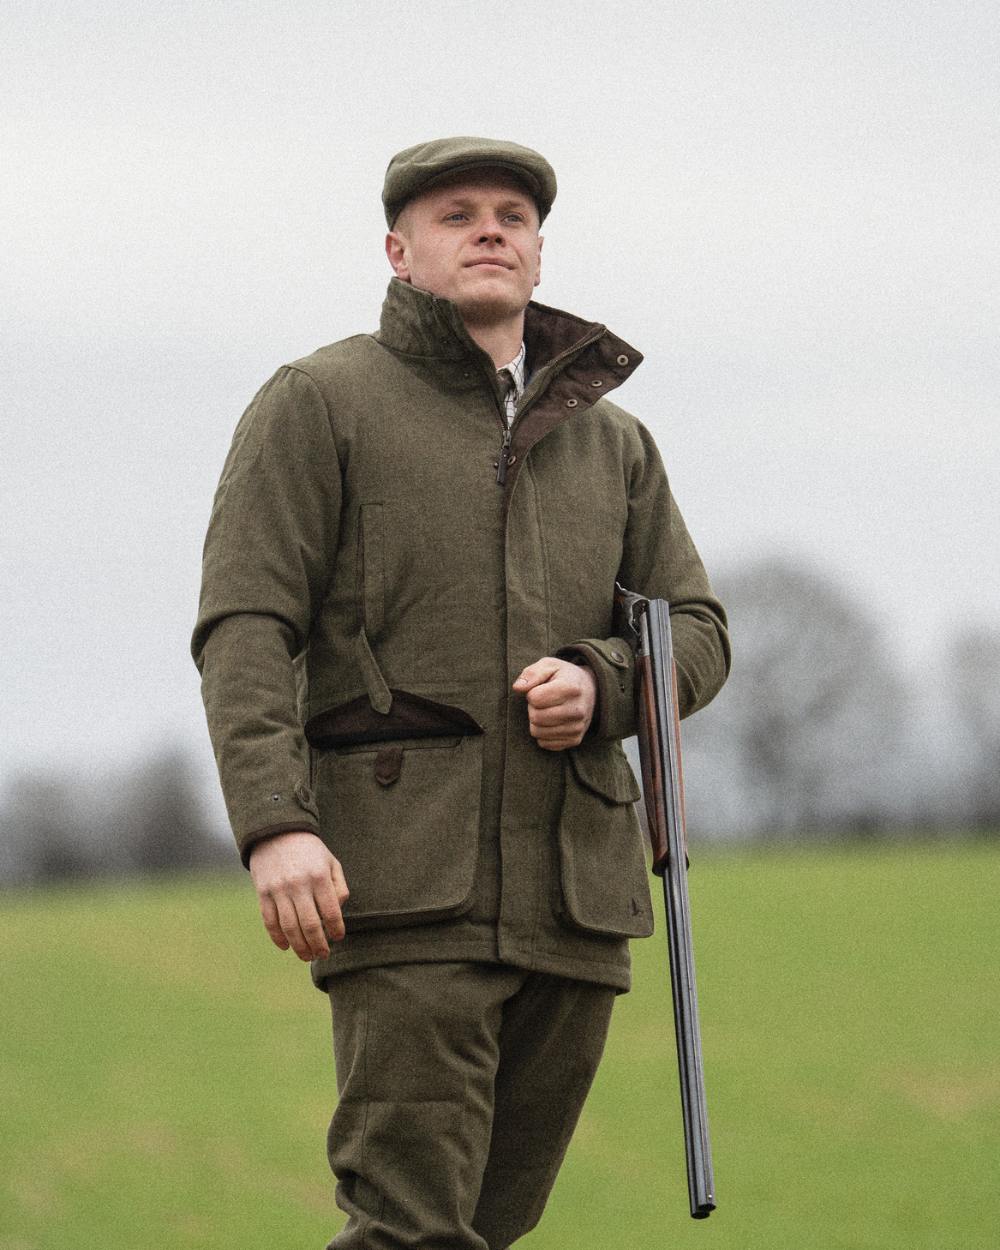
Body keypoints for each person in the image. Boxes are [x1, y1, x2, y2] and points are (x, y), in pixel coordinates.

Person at [192, 135, 730, 1249]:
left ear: (537, 254)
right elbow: (246, 622)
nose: (490, 229)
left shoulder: (615, 441)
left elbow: (697, 630)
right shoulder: (318, 401)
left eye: (512, 216)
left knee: (484, 1230)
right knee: (410, 1226)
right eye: (456, 214)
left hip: (577, 902)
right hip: (400, 886)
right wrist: (274, 824)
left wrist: (605, 681)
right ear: (398, 250)